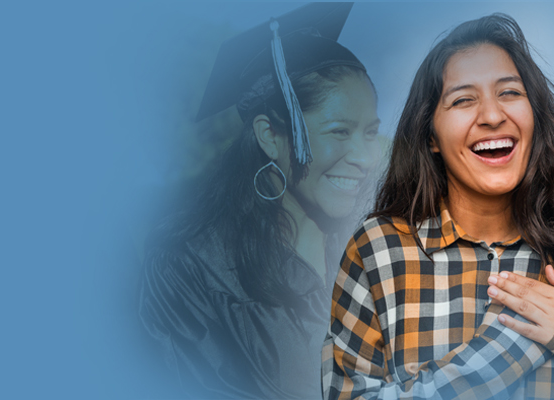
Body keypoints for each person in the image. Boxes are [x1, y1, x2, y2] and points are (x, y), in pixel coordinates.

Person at [324, 13, 554, 400]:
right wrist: (508, 348)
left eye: (509, 93)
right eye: (463, 100)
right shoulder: (378, 250)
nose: (492, 116)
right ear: (431, 137)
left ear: (535, 118)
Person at [139, 3, 384, 398]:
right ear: (271, 135)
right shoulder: (193, 268)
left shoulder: (375, 244)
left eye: (370, 133)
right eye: (340, 132)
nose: (365, 157)